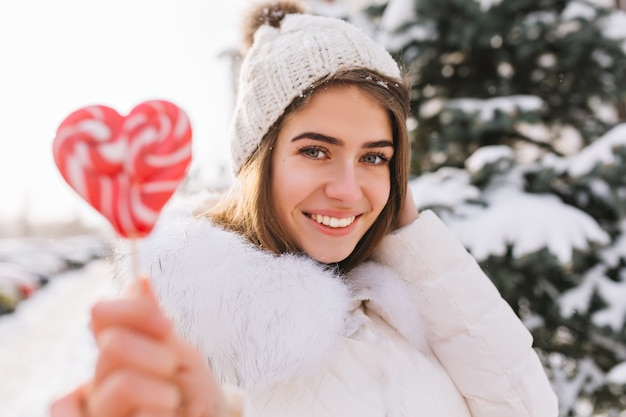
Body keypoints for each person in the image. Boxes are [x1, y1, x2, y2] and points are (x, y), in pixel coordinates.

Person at [51, 1, 559, 416]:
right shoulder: (201, 338)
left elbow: (525, 406)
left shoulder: (389, 298)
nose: (346, 188)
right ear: (259, 161)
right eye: (316, 150)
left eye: (374, 157)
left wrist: (411, 234)